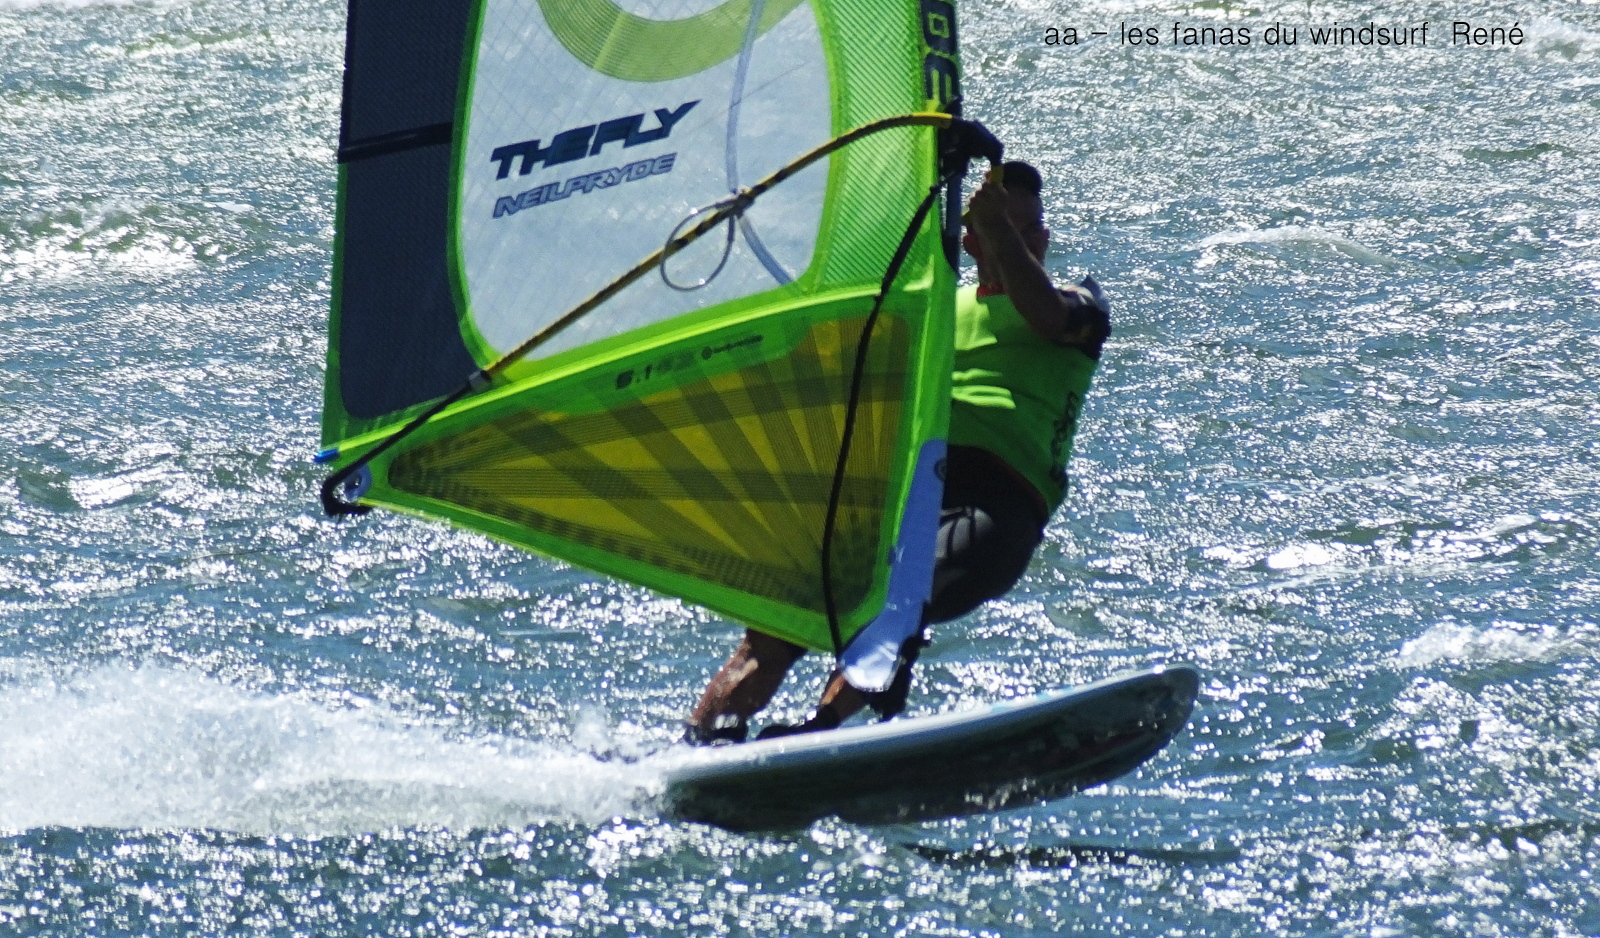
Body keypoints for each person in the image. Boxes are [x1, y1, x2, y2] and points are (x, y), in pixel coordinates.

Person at [685, 160, 1111, 744]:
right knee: (774, 630)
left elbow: (1047, 316)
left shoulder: (1078, 302)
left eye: (1033, 228)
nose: (1029, 240)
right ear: (970, 242)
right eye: (1009, 227)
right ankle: (697, 742)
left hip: (998, 504)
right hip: (907, 491)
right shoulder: (936, 309)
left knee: (899, 600)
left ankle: (818, 732)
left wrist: (998, 230)